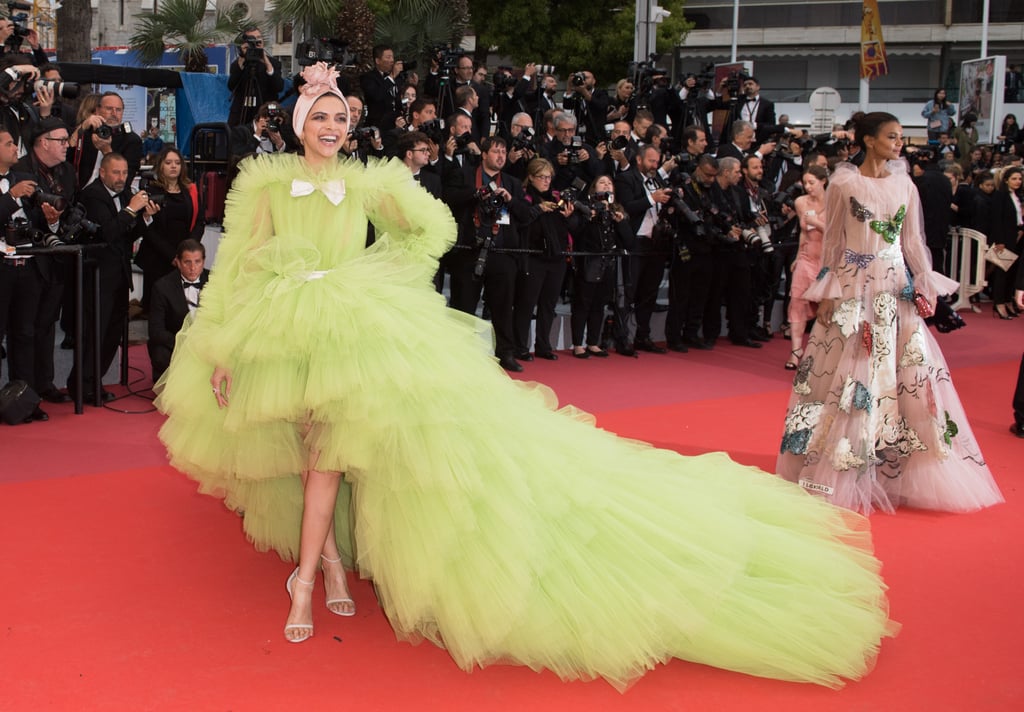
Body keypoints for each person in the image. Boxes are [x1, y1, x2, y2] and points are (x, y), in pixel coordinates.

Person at [156, 62, 896, 689]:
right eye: (320, 114)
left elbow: (434, 229)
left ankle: (312, 580)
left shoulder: (370, 183)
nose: (332, 125)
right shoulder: (267, 185)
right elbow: (237, 271)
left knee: (335, 454)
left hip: (360, 328)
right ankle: (329, 569)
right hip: (286, 333)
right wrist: (222, 350)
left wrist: (377, 275)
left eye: (341, 115)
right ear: (296, 122)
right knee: (316, 448)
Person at [777, 112, 1004, 515]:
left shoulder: (905, 184)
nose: (899, 143)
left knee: (908, 375)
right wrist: (827, 291)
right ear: (868, 140)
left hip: (895, 286)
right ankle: (840, 465)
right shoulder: (844, 183)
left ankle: (892, 466)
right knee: (849, 374)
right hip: (852, 285)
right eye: (891, 136)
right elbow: (833, 241)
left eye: (901, 137)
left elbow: (913, 240)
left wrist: (926, 283)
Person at [514, 157, 581, 361]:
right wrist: (539, 210)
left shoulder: (557, 198)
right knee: (526, 303)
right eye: (542, 177)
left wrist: (568, 216)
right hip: (534, 257)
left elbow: (574, 228)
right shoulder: (526, 199)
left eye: (549, 177)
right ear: (531, 177)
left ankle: (543, 345)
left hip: (557, 258)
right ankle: (520, 346)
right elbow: (522, 223)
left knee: (548, 304)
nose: (546, 181)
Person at [135, 147, 205, 311]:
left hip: (185, 255)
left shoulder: (191, 190)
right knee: (158, 309)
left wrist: (189, 249)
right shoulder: (150, 192)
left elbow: (200, 221)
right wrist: (172, 256)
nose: (173, 166)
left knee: (183, 308)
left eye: (177, 163)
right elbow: (147, 228)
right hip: (157, 257)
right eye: (168, 163)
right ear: (161, 166)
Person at [570, 175, 632, 358]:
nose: (606, 185)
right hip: (588, 263)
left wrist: (620, 223)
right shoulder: (585, 209)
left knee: (599, 304)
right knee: (583, 304)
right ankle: (577, 344)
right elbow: (575, 232)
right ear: (593, 189)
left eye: (609, 183)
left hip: (609, 264)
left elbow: (628, 242)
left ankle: (593, 342)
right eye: (602, 183)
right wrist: (590, 217)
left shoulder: (617, 211)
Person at [784, 165, 828, 369]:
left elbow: (840, 234)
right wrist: (797, 256)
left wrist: (817, 223)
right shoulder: (800, 202)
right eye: (805, 183)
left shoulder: (834, 203)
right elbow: (803, 231)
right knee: (797, 302)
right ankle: (795, 352)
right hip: (806, 257)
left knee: (826, 308)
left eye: (812, 182)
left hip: (827, 262)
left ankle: (823, 352)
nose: (808, 187)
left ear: (823, 181)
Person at [147, 239, 208, 382]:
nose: (193, 268)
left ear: (203, 261)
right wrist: (184, 342)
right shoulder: (162, 287)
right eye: (187, 262)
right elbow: (156, 331)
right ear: (178, 262)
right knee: (160, 353)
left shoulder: (215, 281)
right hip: (176, 343)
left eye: (197, 262)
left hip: (208, 342)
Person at [227, 27, 283, 127]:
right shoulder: (238, 64)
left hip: (265, 113)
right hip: (241, 114)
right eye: (252, 39)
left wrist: (266, 62)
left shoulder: (273, 63)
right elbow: (231, 86)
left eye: (258, 38)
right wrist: (242, 58)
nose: (256, 41)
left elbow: (279, 87)